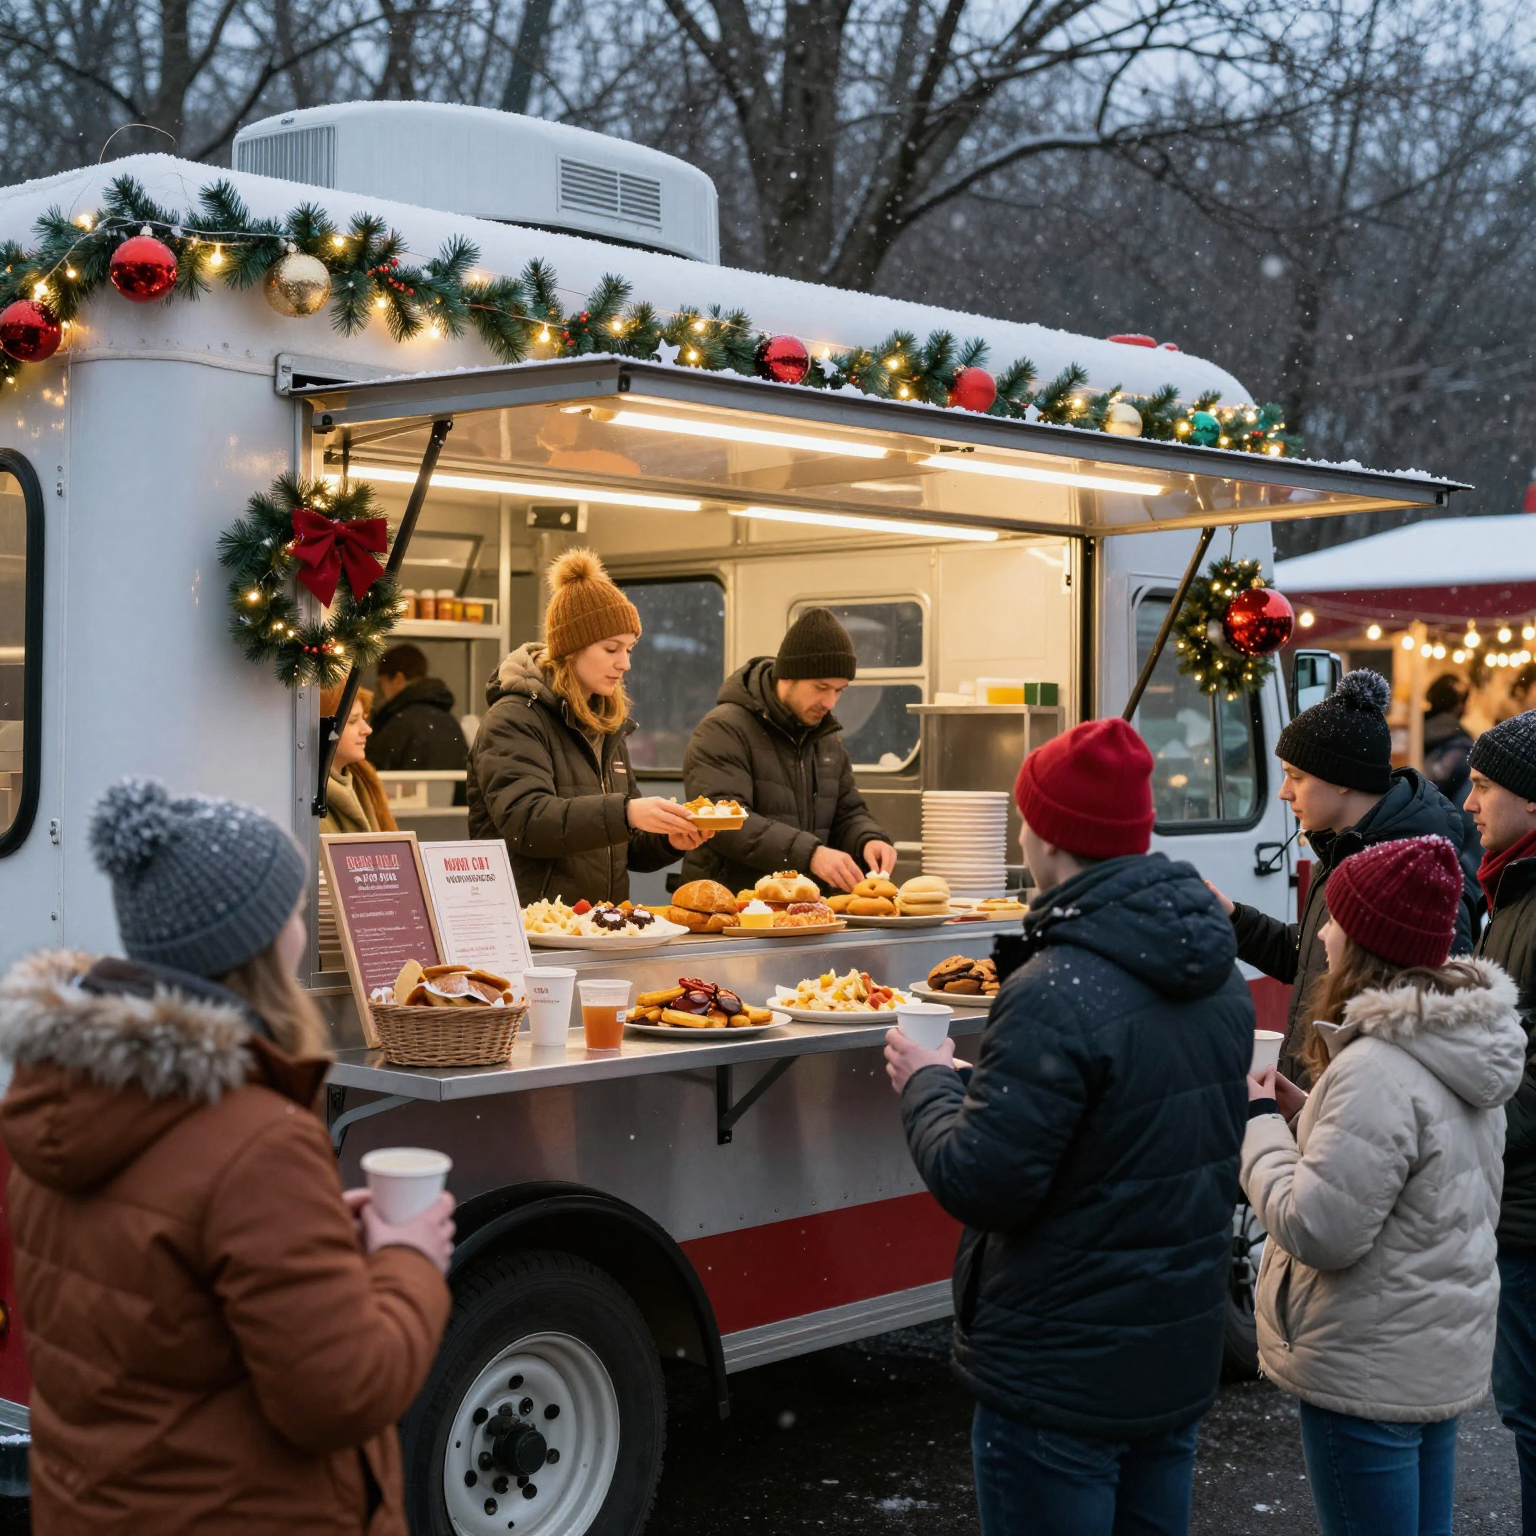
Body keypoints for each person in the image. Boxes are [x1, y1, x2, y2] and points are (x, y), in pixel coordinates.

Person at [0, 779, 454, 1534]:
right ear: (255, 940)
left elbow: (154, 1282)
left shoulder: (65, 1095)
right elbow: (340, 1396)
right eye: (291, 910)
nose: (301, 927)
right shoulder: (257, 1138)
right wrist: (408, 1260)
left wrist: (307, 1236)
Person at [885, 718, 1252, 1536]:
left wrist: (927, 1087)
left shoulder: (1056, 986)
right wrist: (981, 1083)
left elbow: (984, 1182)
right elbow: (1127, 1122)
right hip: (1169, 1357)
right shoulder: (1217, 974)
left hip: (1060, 1376)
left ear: (1048, 835)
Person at [1242, 834, 1524, 1536]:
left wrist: (1255, 1128)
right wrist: (1306, 1115)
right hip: (1426, 1355)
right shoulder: (1460, 1049)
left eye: (1337, 919)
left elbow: (1320, 1228)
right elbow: (1418, 1169)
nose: (1326, 934)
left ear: (1368, 942)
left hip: (1364, 1361)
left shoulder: (1373, 1068)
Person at [1210, 668, 1478, 1084]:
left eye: (1296, 776)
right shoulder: (1340, 846)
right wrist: (1231, 917)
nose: (1284, 792)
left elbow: (1434, 1031)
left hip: (1357, 1111)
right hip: (1321, 1100)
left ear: (1343, 782)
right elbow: (1309, 959)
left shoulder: (1415, 874)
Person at [468, 548, 705, 903]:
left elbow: (625, 847)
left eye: (630, 649)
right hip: (534, 926)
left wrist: (669, 839)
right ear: (572, 648)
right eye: (612, 649)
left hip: (596, 924)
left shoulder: (606, 725)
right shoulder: (513, 719)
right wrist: (625, 812)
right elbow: (527, 823)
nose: (624, 663)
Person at [680, 607, 896, 894]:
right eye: (821, 687)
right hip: (732, 907)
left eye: (839, 690)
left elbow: (847, 811)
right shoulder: (723, 730)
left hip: (802, 905)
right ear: (788, 676)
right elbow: (724, 825)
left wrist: (868, 839)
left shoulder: (827, 738)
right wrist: (811, 854)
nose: (830, 702)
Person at [1465, 711, 1536, 1530]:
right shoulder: (1509, 883)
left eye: (1485, 787)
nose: (1470, 803)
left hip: (1529, 1207)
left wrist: (1470, 1124)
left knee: (1533, 1414)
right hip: (1517, 1201)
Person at [367, 643, 470, 785]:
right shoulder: (450, 721)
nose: (380, 692)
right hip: (453, 806)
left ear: (398, 678)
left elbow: (372, 775)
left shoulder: (398, 724)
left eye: (381, 684)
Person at [320, 684, 399, 836]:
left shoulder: (362, 782)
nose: (367, 730)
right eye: (352, 721)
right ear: (322, 727)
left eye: (363, 719)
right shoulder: (304, 799)